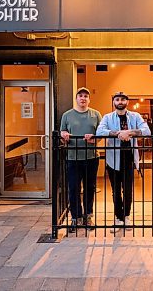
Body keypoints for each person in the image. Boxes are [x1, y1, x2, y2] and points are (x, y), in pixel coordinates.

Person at [96, 92, 151, 232]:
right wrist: (118, 133)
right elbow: (100, 131)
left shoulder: (135, 116)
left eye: (123, 99)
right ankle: (118, 218)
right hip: (113, 159)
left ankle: (126, 216)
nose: (120, 101)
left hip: (129, 158)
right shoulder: (107, 117)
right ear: (114, 102)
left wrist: (129, 132)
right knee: (115, 191)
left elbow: (146, 131)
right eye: (117, 99)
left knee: (127, 190)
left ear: (127, 102)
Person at [60, 87, 102, 232]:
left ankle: (88, 217)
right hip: (72, 158)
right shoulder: (67, 115)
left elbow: (101, 135)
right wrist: (64, 135)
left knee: (90, 188)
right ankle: (75, 218)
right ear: (76, 99)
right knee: (73, 188)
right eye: (80, 96)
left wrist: (95, 139)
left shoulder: (96, 114)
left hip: (91, 157)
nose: (83, 98)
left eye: (85, 96)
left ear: (89, 99)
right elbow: (62, 133)